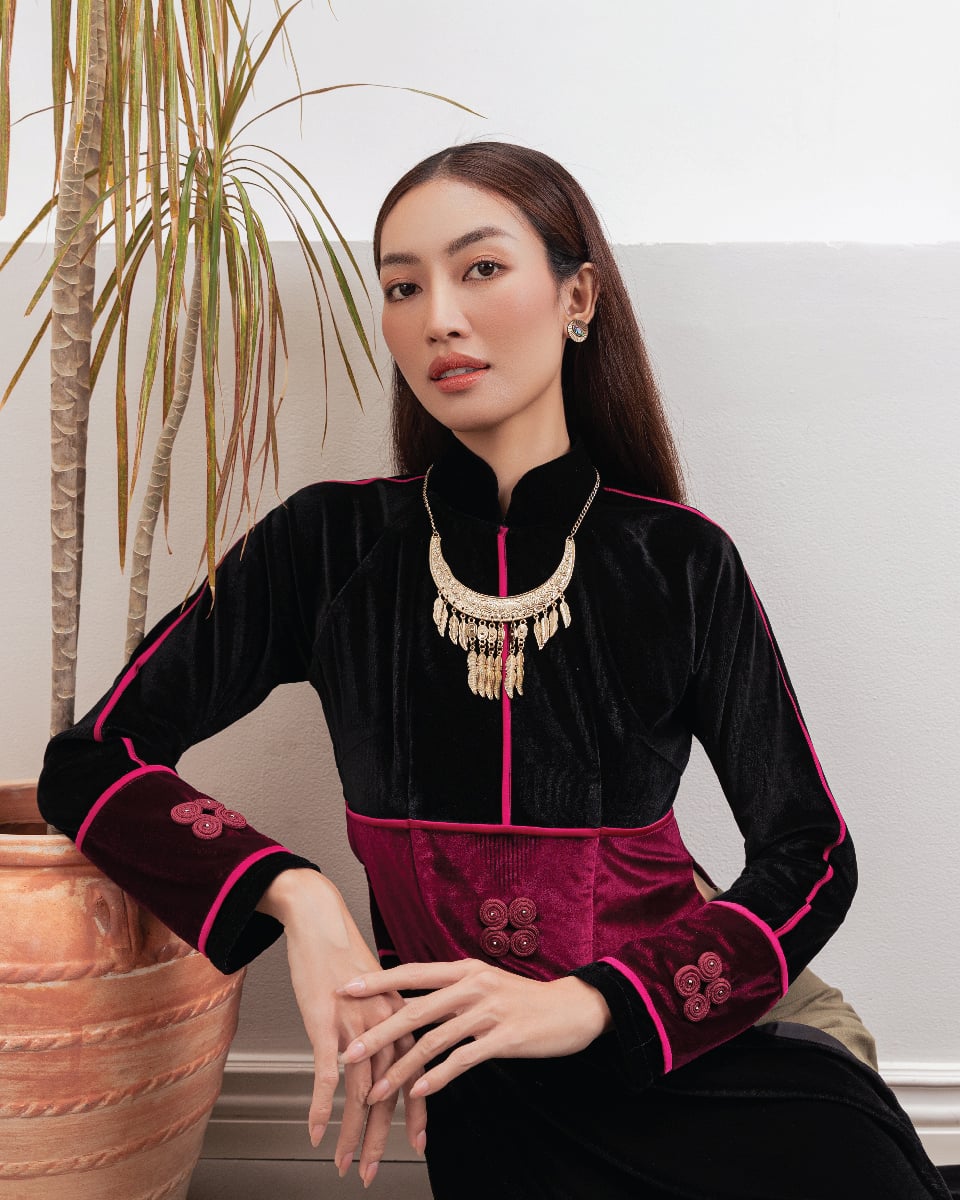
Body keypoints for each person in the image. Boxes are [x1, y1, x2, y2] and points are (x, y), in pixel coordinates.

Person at [38, 142, 951, 1199]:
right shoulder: (328, 547)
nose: (439, 318)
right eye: (403, 286)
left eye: (480, 269)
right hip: (496, 1098)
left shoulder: (678, 559)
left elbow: (812, 852)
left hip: (706, 1040)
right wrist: (297, 896)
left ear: (578, 297)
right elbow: (91, 760)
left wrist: (593, 1002)